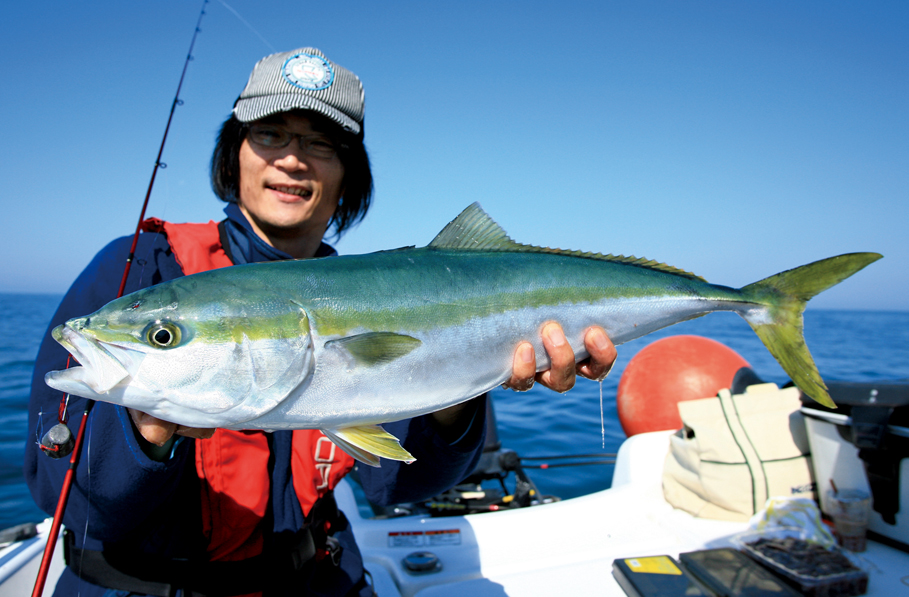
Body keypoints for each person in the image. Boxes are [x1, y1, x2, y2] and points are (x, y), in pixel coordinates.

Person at [26, 47, 617, 596]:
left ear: (348, 173)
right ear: (234, 152)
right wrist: (144, 431)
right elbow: (63, 497)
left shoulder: (386, 285)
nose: (291, 157)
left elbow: (399, 486)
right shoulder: (145, 272)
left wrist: (458, 393)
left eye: (321, 142)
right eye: (269, 133)